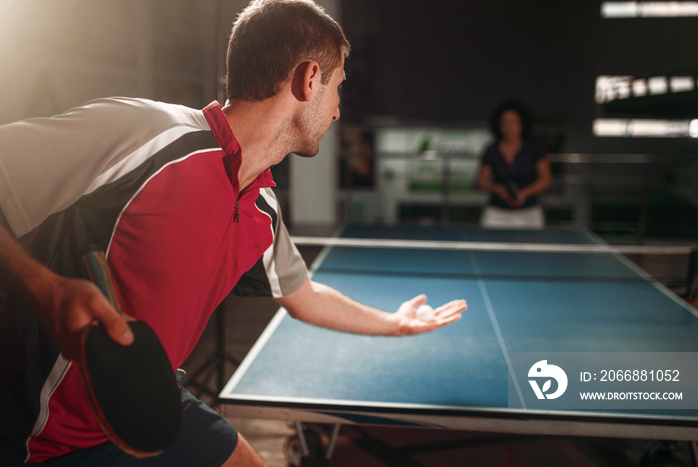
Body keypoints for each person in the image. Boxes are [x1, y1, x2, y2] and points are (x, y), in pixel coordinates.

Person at [0, 1, 466, 466]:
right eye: (338, 87)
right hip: (36, 432)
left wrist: (395, 323)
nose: (340, 110)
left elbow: (305, 297)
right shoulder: (146, 135)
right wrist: (43, 288)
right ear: (308, 81)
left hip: (151, 402)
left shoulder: (262, 208)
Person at [476, 100, 552, 229]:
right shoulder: (491, 150)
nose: (510, 128)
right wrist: (498, 190)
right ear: (499, 126)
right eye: (505, 123)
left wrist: (524, 193)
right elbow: (481, 181)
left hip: (529, 212)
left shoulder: (534, 148)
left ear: (522, 124)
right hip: (497, 212)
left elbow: (546, 179)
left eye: (514, 123)